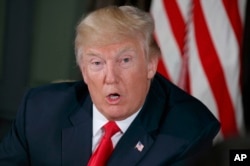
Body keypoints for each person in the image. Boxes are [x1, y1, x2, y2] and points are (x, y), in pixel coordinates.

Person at [0, 5, 220, 166]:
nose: (111, 77)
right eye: (97, 63)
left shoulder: (190, 133)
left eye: (125, 61)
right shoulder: (39, 110)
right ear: (84, 71)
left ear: (151, 64)